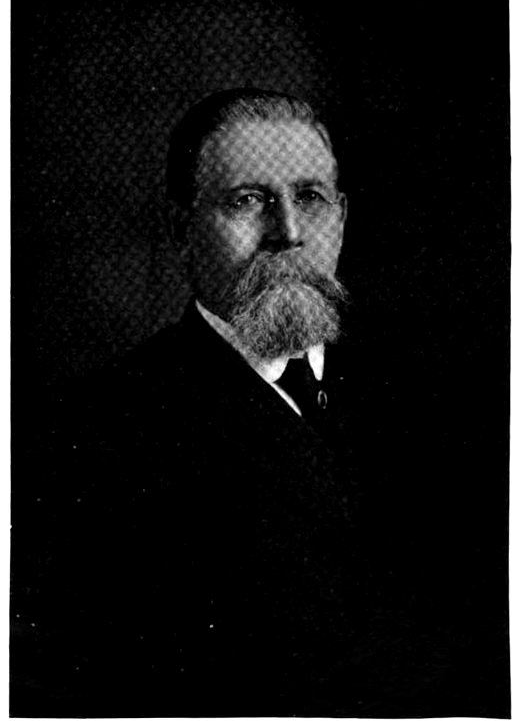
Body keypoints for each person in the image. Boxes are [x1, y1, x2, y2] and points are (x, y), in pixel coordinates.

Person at [11, 89, 499, 717]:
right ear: (182, 231)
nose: (288, 234)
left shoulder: (433, 396)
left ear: (342, 216)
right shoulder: (95, 430)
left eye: (310, 198)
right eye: (247, 201)